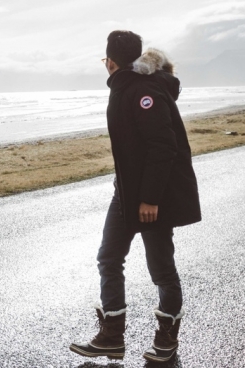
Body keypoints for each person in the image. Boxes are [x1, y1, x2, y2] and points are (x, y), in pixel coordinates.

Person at [70, 30, 201, 363]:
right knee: (109, 257)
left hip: (153, 197)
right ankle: (111, 337)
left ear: (111, 62)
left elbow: (163, 146)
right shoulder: (127, 87)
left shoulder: (142, 91)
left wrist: (150, 199)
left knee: (161, 270)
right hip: (127, 193)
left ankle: (166, 341)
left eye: (105, 60)